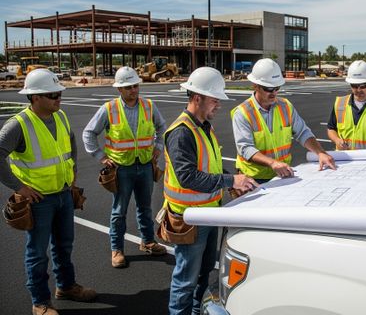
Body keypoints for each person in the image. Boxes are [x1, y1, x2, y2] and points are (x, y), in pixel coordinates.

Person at [0, 69, 97, 315]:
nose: (58, 98)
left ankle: (66, 287)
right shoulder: (18, 125)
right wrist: (19, 188)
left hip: (63, 194)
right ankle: (40, 302)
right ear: (35, 97)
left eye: (59, 93)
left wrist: (73, 170)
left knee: (64, 246)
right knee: (37, 253)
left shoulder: (61, 117)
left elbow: (71, 142)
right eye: (52, 94)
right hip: (38, 200)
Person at [164, 67, 257, 315]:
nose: (218, 105)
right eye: (215, 99)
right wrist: (230, 181)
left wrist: (234, 181)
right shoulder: (181, 132)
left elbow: (212, 165)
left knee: (203, 273)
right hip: (189, 218)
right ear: (197, 98)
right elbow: (187, 178)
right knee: (185, 280)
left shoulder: (203, 126)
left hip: (206, 213)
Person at [82, 66, 167, 268]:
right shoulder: (109, 108)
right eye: (129, 87)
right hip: (122, 169)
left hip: (145, 165)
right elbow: (89, 133)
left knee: (145, 208)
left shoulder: (148, 106)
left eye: (136, 86)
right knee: (119, 211)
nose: (134, 90)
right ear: (119, 89)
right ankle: (117, 249)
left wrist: (158, 146)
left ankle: (147, 242)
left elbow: (162, 127)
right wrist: (100, 156)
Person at [232, 58, 336, 183]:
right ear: (255, 85)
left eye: (277, 88)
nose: (274, 93)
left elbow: (303, 133)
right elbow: (246, 149)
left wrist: (320, 152)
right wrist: (272, 163)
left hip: (282, 174)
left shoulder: (285, 106)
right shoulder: (243, 113)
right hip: (253, 178)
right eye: (268, 89)